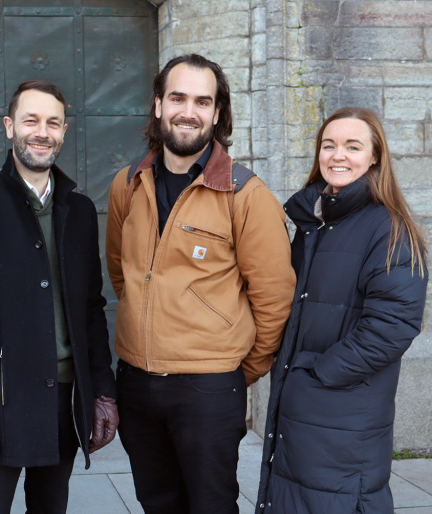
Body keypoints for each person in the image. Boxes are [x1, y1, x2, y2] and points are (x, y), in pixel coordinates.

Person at [105, 53, 295, 513]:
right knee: (157, 502)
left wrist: (234, 373)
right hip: (137, 382)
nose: (188, 111)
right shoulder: (127, 184)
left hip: (207, 388)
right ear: (158, 105)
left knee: (210, 505)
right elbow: (121, 271)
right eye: (177, 97)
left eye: (202, 101)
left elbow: (274, 298)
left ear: (217, 114)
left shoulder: (246, 194)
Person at [0, 80, 118, 514]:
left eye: (53, 123)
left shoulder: (78, 211)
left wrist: (103, 391)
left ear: (63, 131)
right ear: (9, 127)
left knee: (51, 507)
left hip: (64, 398)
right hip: (0, 402)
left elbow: (91, 308)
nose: (42, 131)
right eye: (31, 120)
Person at [255, 107, 428, 513]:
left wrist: (317, 374)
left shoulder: (388, 228)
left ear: (374, 158)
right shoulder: (313, 224)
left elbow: (393, 325)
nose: (338, 155)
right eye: (328, 145)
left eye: (353, 146)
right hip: (304, 405)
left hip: (343, 410)